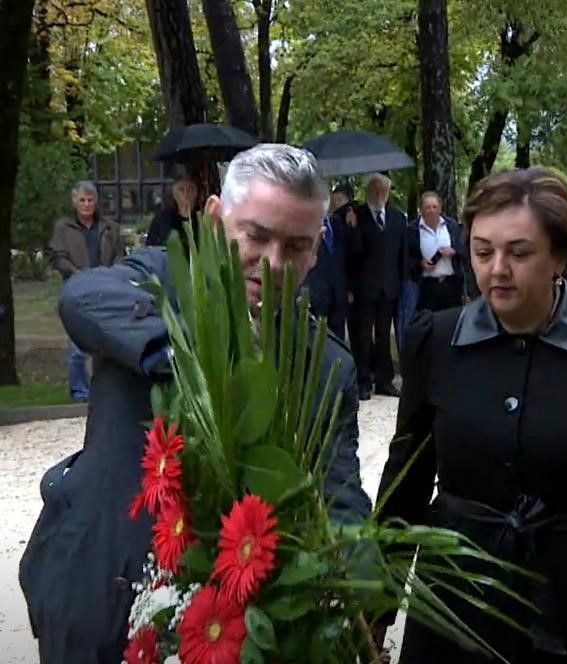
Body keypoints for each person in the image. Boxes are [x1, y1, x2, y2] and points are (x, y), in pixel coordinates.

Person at [21, 144, 373, 664]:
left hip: (227, 630)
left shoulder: (324, 365)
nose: (274, 264)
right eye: (256, 235)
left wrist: (364, 584)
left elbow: (339, 496)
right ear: (213, 219)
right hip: (95, 591)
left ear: (318, 249)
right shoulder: (157, 279)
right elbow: (81, 298)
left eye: (297, 245)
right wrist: (203, 359)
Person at [376, 168, 567, 664]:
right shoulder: (436, 341)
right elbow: (407, 481)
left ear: (560, 258)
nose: (498, 269)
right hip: (452, 610)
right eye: (483, 251)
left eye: (519, 252)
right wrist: (375, 602)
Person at [49, 180, 126, 402]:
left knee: (107, 341)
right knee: (76, 345)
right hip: (76, 289)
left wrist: (111, 275)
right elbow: (57, 256)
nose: (86, 204)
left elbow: (120, 254)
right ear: (74, 201)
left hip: (105, 287)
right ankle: (80, 392)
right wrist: (76, 274)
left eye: (90, 200)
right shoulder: (63, 228)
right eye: (82, 200)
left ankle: (108, 390)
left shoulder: (109, 227)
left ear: (96, 201)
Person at [349, 174, 407, 399]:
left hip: (389, 287)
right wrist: (353, 228)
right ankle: (364, 381)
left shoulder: (397, 218)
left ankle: (385, 380)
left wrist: (403, 283)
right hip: (364, 287)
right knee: (363, 336)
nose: (379, 195)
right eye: (374, 190)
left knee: (383, 335)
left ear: (388, 193)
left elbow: (401, 254)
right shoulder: (357, 216)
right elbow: (352, 256)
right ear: (367, 192)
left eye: (383, 190)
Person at [304, 184, 356, 340]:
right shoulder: (305, 227)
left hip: (338, 293)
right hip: (316, 294)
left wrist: (349, 288)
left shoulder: (338, 224)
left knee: (338, 338)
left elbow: (350, 257)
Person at [144, 177, 199, 250]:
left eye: (190, 189)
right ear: (175, 195)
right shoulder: (162, 219)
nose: (186, 193)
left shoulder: (202, 218)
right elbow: (151, 247)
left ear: (196, 193)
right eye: (181, 190)